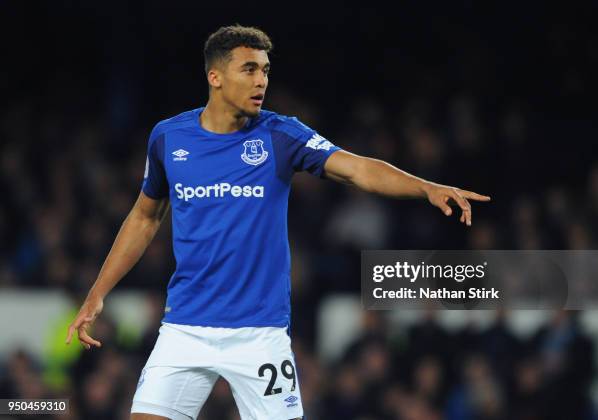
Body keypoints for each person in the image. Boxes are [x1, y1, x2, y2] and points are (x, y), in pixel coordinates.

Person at [65, 24, 491, 420]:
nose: (261, 81)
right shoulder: (169, 138)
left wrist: (425, 187)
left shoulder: (281, 135)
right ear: (215, 77)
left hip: (259, 334)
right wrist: (98, 293)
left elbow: (357, 169)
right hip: (185, 328)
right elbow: (144, 217)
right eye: (249, 69)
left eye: (265, 70)